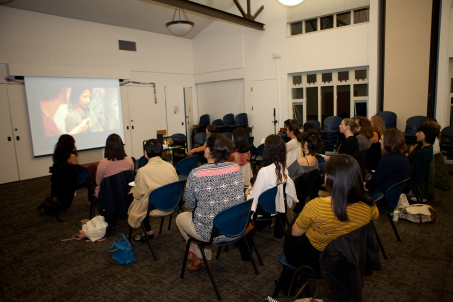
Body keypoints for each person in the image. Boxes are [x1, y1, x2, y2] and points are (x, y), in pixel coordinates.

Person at [284, 154, 379, 274]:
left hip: (316, 259)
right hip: (347, 257)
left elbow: (295, 233)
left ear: (330, 179)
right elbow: (376, 216)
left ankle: (286, 284)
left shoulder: (316, 206)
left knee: (294, 227)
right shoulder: (368, 205)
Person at [176, 133, 243, 270]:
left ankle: (200, 255)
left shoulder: (196, 173)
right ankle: (204, 256)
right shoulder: (236, 168)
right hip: (234, 227)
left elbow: (189, 206)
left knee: (180, 218)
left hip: (210, 233)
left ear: (207, 151)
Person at [245, 135, 298, 238]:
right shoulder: (283, 168)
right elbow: (271, 188)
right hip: (276, 207)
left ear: (268, 150)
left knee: (244, 197)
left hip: (264, 209)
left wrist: (248, 193)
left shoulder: (264, 171)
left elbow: (255, 198)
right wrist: (256, 189)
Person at [128, 139, 178, 241]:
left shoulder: (142, 171)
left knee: (137, 200)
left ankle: (148, 231)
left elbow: (137, 195)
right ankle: (147, 231)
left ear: (145, 153)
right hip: (172, 204)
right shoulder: (170, 166)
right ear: (161, 152)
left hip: (156, 208)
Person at [365, 129, 410, 197]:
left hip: (379, 195)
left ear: (390, 142)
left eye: (382, 139)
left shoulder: (388, 160)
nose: (379, 141)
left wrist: (367, 184)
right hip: (390, 194)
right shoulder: (403, 157)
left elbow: (370, 185)